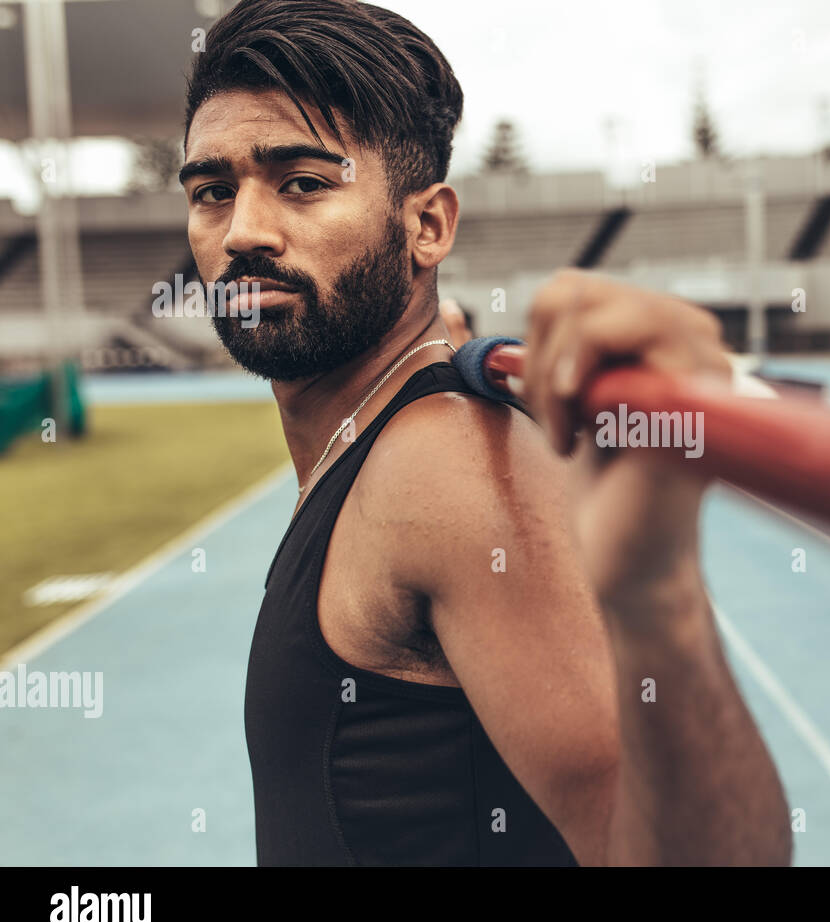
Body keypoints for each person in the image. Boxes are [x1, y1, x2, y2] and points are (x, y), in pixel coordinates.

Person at [181, 0, 791, 865]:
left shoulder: (445, 470)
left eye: (305, 183)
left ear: (426, 226)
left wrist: (660, 589)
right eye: (213, 191)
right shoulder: (388, 433)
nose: (243, 230)